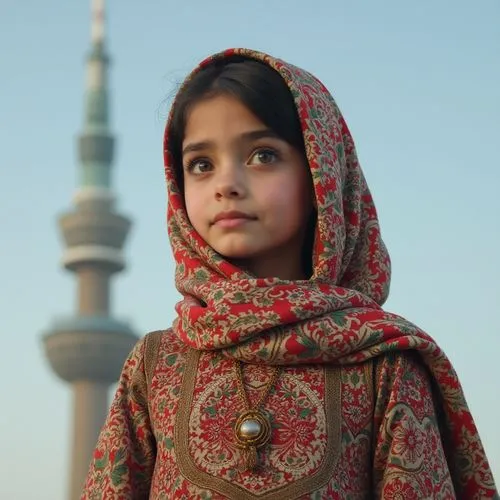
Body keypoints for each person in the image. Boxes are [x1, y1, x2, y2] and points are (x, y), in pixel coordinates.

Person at [81, 48, 497, 499]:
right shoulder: (155, 364)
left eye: (263, 155)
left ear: (322, 173)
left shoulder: (385, 364)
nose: (227, 184)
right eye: (201, 164)